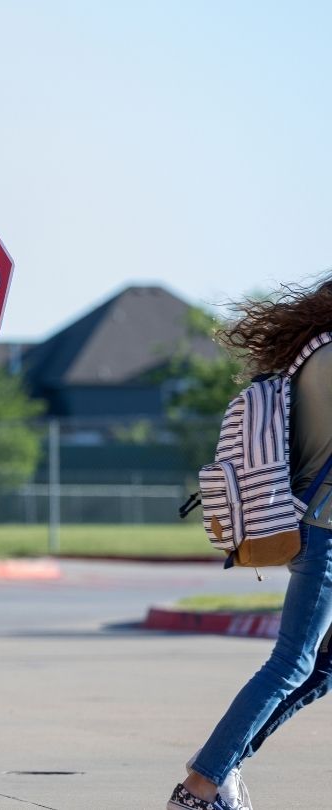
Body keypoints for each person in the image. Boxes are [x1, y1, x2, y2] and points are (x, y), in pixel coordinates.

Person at [167, 277, 332, 810]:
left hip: (307, 522)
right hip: (326, 531)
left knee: (319, 665)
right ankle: (201, 787)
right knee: (292, 661)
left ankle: (220, 765)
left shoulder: (311, 354)